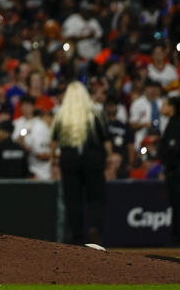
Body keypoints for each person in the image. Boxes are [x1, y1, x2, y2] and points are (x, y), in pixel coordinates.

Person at [51, 81, 110, 245]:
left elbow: (53, 145)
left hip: (69, 159)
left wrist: (53, 161)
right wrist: (109, 159)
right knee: (96, 198)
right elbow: (106, 142)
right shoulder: (95, 114)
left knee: (73, 201)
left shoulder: (62, 115)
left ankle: (76, 236)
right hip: (93, 159)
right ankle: (95, 228)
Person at [159, 96, 180, 245]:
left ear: (172, 108)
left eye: (165, 105)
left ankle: (179, 241)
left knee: (179, 205)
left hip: (178, 169)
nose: (162, 107)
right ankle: (179, 239)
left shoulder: (174, 124)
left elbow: (173, 149)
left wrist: (169, 168)